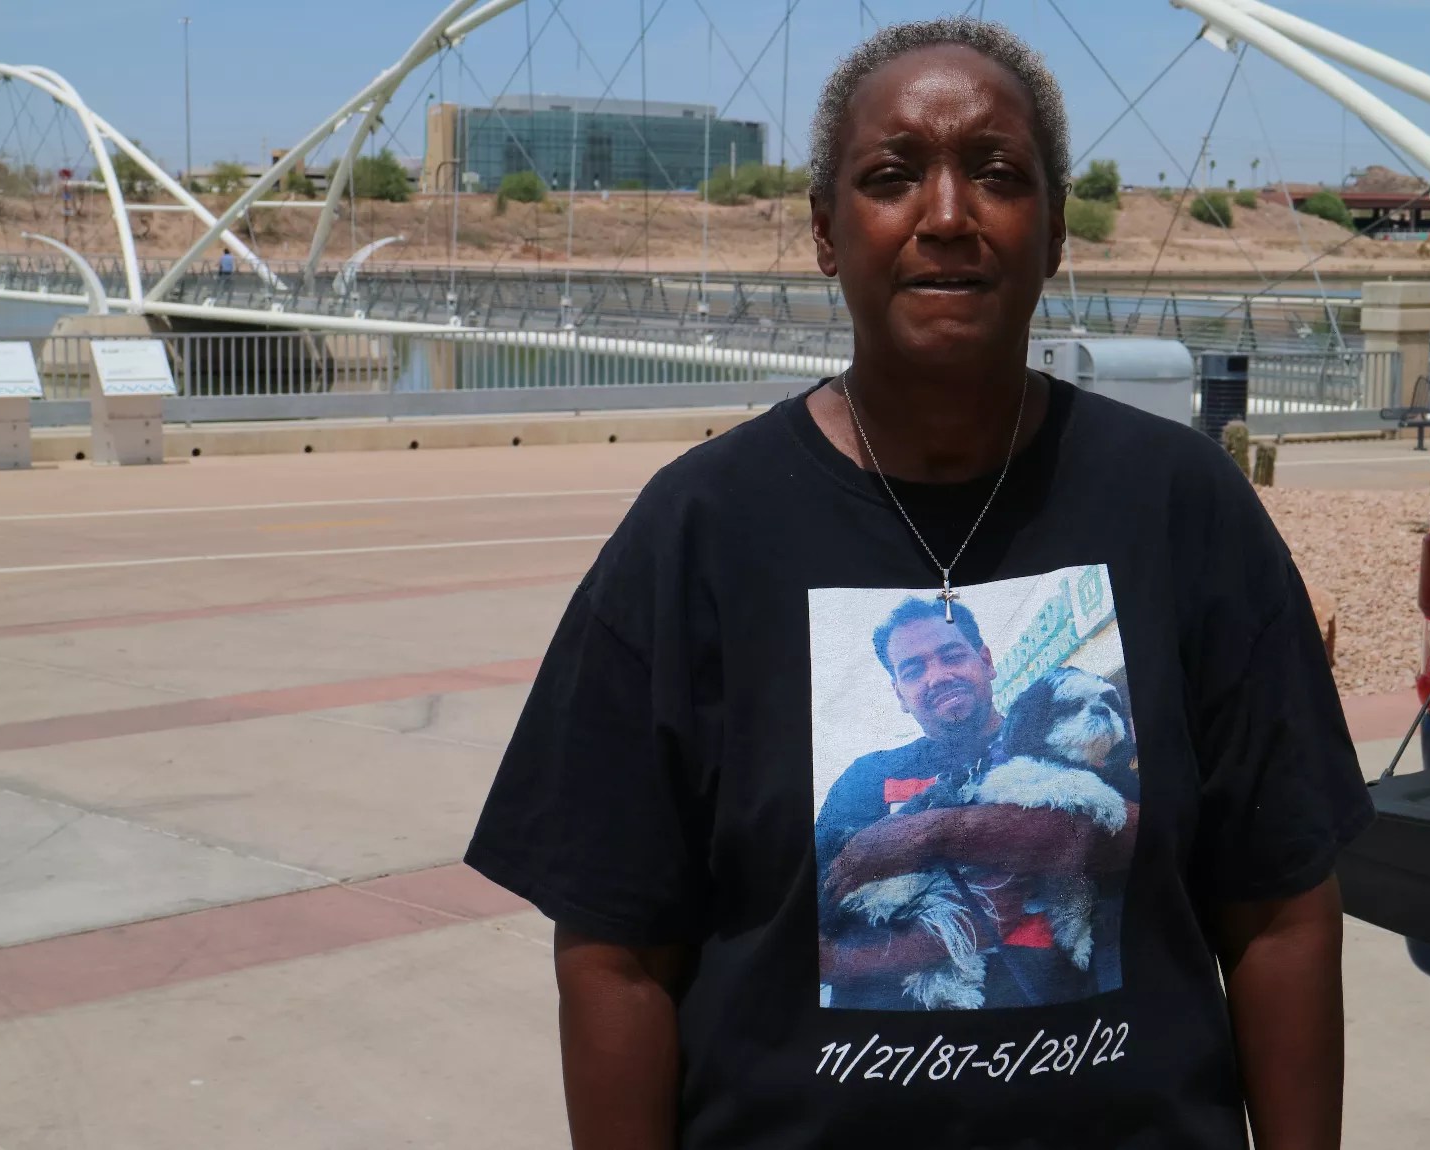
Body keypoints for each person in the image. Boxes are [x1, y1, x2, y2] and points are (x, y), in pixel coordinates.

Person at [466, 16, 1372, 1149]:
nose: (946, 216)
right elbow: (614, 953)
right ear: (824, 233)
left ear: (1050, 234)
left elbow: (1280, 908)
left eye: (996, 175)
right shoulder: (699, 529)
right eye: (892, 176)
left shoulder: (1181, 508)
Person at [815, 595, 1133, 1011]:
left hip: (1067, 1038)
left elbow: (1136, 836)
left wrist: (934, 833)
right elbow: (814, 926)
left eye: (952, 655)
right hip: (901, 1055)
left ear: (985, 660)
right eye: (913, 670)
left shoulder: (1066, 734)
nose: (937, 676)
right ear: (899, 693)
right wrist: (941, 939)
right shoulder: (867, 778)